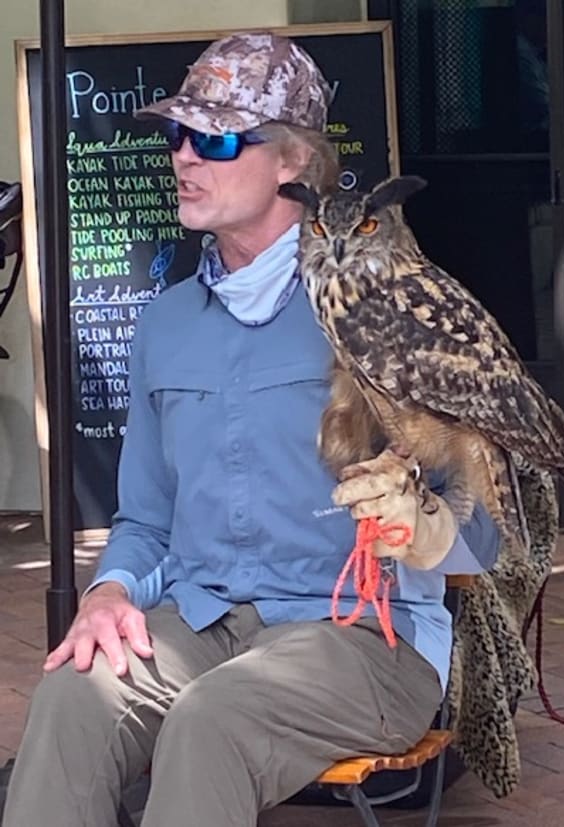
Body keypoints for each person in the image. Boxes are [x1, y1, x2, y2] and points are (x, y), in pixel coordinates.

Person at [2, 31, 499, 827]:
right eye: (177, 136)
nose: (184, 158)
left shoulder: (383, 308)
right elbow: (143, 520)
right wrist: (104, 593)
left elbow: (493, 528)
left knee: (216, 718)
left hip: (365, 637)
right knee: (72, 695)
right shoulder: (165, 324)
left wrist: (429, 526)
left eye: (217, 138)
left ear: (293, 160)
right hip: (201, 621)